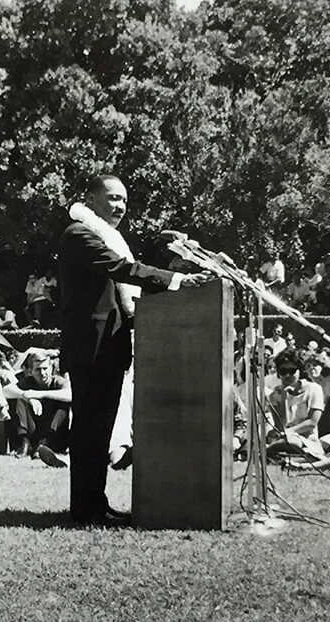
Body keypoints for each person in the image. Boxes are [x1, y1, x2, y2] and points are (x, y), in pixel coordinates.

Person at [57, 174, 212, 526]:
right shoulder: (79, 236)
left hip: (107, 349)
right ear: (91, 199)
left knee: (99, 430)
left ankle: (96, 502)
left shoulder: (104, 236)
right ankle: (85, 510)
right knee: (88, 432)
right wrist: (176, 280)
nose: (120, 206)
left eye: (124, 200)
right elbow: (122, 269)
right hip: (90, 348)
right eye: (112, 198)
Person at [4, 351, 71, 463]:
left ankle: (44, 444)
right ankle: (24, 442)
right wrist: (26, 396)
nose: (42, 373)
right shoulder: (28, 382)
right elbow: (6, 391)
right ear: (30, 371)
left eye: (45, 368)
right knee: (18, 398)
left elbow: (70, 395)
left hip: (55, 435)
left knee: (63, 403)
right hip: (35, 431)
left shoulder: (58, 382)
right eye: (38, 369)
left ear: (51, 368)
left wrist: (38, 394)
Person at [264, 350, 324, 459]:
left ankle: (267, 451)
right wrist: (282, 399)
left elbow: (312, 422)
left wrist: (288, 432)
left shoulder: (314, 389)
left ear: (299, 370)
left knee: (292, 441)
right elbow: (280, 426)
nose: (287, 375)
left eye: (292, 371)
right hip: (284, 438)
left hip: (306, 440)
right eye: (283, 371)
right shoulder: (274, 395)